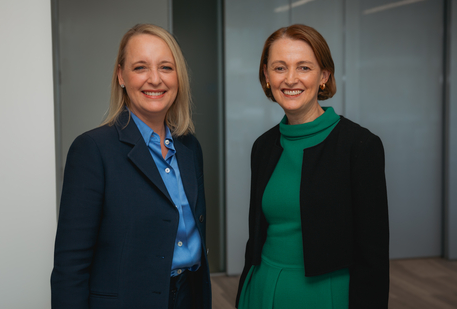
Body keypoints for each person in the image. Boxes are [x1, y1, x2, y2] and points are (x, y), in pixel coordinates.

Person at [51, 24, 211, 309]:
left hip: (188, 295)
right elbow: (70, 266)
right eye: (140, 68)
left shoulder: (189, 147)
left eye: (165, 67)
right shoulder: (92, 150)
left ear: (178, 77)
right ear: (121, 76)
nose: (155, 79)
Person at [236, 24, 389, 309]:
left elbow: (374, 256)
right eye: (280, 68)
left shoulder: (359, 146)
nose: (290, 79)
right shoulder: (263, 146)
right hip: (261, 290)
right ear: (266, 76)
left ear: (324, 76)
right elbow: (257, 235)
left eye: (304, 67)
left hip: (324, 297)